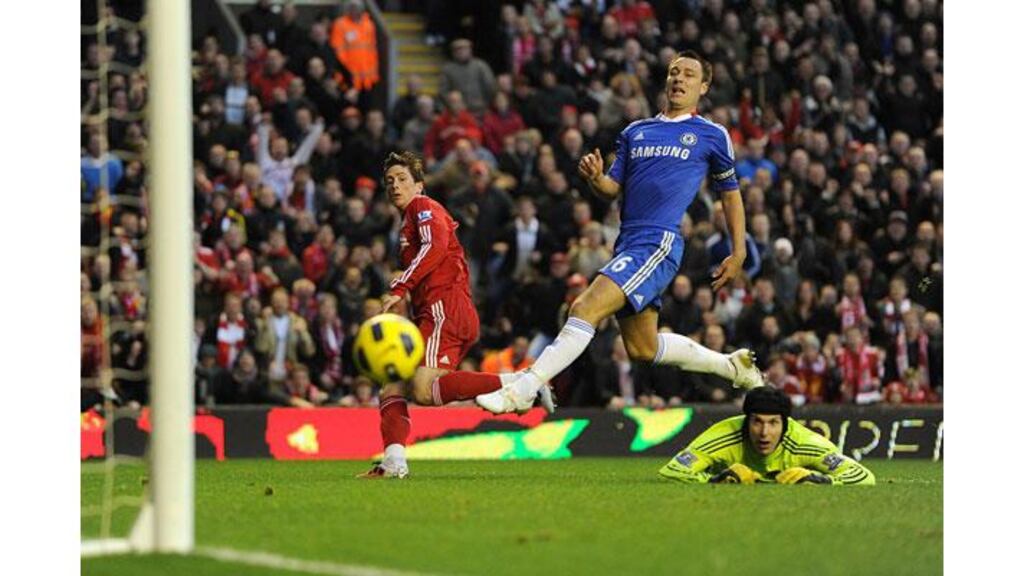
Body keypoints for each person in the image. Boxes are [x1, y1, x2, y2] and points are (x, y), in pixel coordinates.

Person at [478, 51, 764, 414]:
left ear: (704, 87)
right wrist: (596, 178)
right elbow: (612, 189)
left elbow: (730, 194)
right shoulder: (635, 131)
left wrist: (739, 252)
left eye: (689, 74)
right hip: (628, 241)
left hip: (658, 241)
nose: (678, 78)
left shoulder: (711, 134)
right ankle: (730, 366)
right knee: (643, 348)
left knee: (584, 306)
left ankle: (524, 388)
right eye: (674, 72)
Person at [358, 151, 514, 479]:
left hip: (444, 308)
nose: (395, 186)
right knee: (392, 387)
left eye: (402, 179)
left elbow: (435, 246)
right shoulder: (408, 221)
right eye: (389, 181)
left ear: (419, 185)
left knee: (423, 389)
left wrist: (400, 285)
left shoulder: (423, 206)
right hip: (435, 312)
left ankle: (516, 383)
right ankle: (393, 463)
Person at [658, 386, 875, 485]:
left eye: (773, 423)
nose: (764, 433)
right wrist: (715, 480)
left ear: (785, 425)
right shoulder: (725, 437)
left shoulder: (803, 443)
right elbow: (673, 471)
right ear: (746, 421)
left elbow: (863, 476)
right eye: (757, 422)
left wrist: (820, 480)